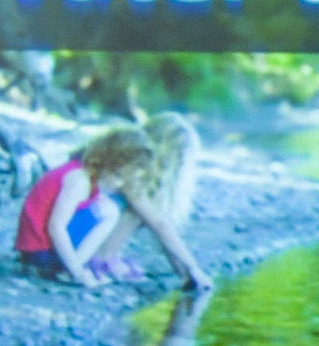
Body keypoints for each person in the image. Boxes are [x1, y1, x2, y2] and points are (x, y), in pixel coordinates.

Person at [14, 117, 207, 291]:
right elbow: (160, 225)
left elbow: (161, 226)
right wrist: (192, 268)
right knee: (119, 211)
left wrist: (186, 272)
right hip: (46, 248)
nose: (120, 183)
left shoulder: (103, 165)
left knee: (122, 209)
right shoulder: (111, 174)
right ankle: (99, 258)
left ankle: (94, 258)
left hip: (41, 245)